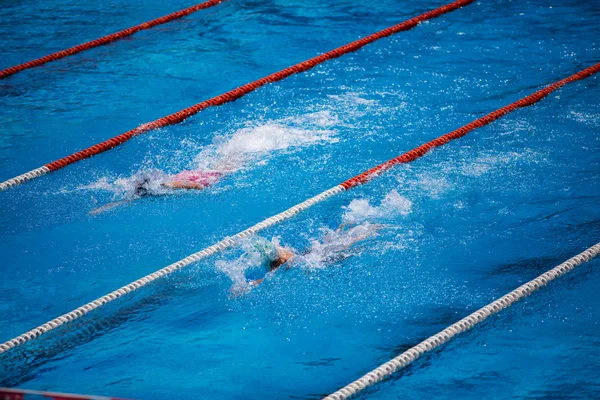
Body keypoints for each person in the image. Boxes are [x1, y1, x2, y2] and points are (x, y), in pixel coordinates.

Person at [245, 223, 379, 288]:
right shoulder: (282, 255)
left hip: (320, 259)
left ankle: (368, 231)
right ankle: (358, 228)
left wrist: (247, 286)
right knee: (335, 243)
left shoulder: (281, 264)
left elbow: (266, 279)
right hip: (310, 255)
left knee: (345, 246)